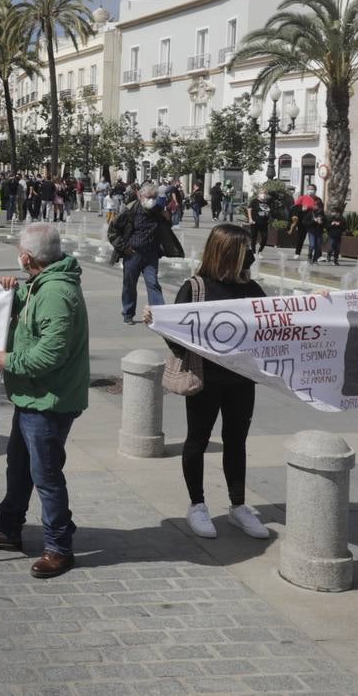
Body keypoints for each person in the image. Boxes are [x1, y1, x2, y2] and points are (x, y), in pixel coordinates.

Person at [0, 223, 88, 579]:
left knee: (46, 474)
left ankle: (59, 546)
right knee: (19, 467)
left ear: (28, 257)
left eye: (20, 249)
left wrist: (9, 361)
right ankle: (7, 528)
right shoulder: (43, 285)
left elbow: (50, 353)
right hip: (33, 396)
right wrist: (16, 294)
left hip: (49, 400)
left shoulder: (55, 292)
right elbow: (35, 323)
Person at [144, 224, 270, 541]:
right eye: (245, 251)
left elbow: (275, 326)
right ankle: (197, 504)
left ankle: (238, 505)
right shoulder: (195, 288)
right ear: (227, 253)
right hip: (204, 379)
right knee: (197, 440)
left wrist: (319, 303)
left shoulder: (251, 289)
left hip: (242, 380)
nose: (251, 256)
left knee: (236, 441)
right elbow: (178, 340)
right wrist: (158, 324)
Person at [108, 183, 183, 324]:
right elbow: (113, 231)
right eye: (149, 197)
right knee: (129, 285)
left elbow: (167, 226)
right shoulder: (130, 210)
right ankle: (128, 313)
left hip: (151, 255)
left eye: (154, 197)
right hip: (133, 254)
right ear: (140, 196)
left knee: (153, 283)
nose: (152, 200)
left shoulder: (158, 210)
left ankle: (159, 314)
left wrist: (168, 217)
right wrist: (124, 248)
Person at [291, 185, 320, 259]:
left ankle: (315, 255)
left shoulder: (318, 199)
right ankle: (297, 253)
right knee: (300, 238)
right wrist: (301, 209)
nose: (310, 191)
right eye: (309, 189)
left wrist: (312, 208)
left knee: (314, 239)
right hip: (302, 221)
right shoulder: (302, 198)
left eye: (312, 189)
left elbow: (320, 209)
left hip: (313, 222)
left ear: (315, 190)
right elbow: (295, 208)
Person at [301, 193, 326, 264]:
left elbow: (326, 224)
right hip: (311, 231)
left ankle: (315, 260)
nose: (314, 206)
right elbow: (304, 222)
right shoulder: (310, 213)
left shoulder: (322, 215)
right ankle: (309, 257)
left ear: (319, 207)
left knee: (318, 246)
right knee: (312, 245)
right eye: (314, 204)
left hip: (319, 232)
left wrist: (321, 223)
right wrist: (314, 221)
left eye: (315, 205)